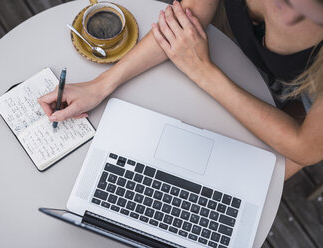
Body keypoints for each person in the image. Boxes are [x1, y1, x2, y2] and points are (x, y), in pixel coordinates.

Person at [38, 0, 323, 180]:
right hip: (216, 56)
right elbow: (190, 14)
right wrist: (100, 85)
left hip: (294, 114)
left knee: (219, 188)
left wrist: (205, 72)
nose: (289, 16)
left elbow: (305, 147)